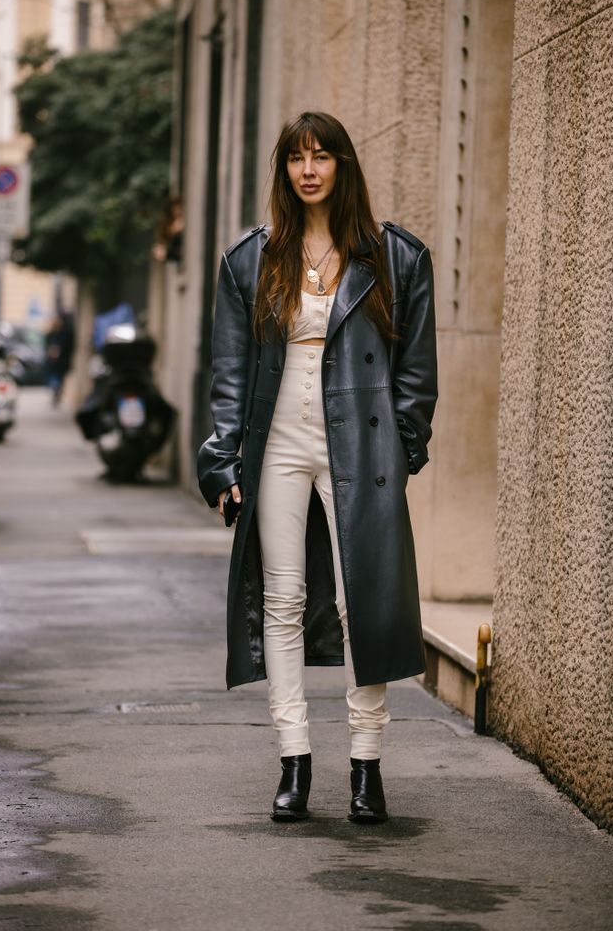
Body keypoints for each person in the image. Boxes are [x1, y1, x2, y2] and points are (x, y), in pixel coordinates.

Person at [197, 111, 437, 824]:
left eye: (322, 156)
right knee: (283, 598)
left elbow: (416, 372)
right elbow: (231, 372)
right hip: (277, 439)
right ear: (284, 169)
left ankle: (367, 767)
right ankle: (294, 762)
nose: (309, 169)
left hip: (361, 445)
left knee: (365, 598)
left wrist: (404, 446)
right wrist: (222, 461)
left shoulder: (395, 256)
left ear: (343, 165)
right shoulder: (252, 258)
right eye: (297, 157)